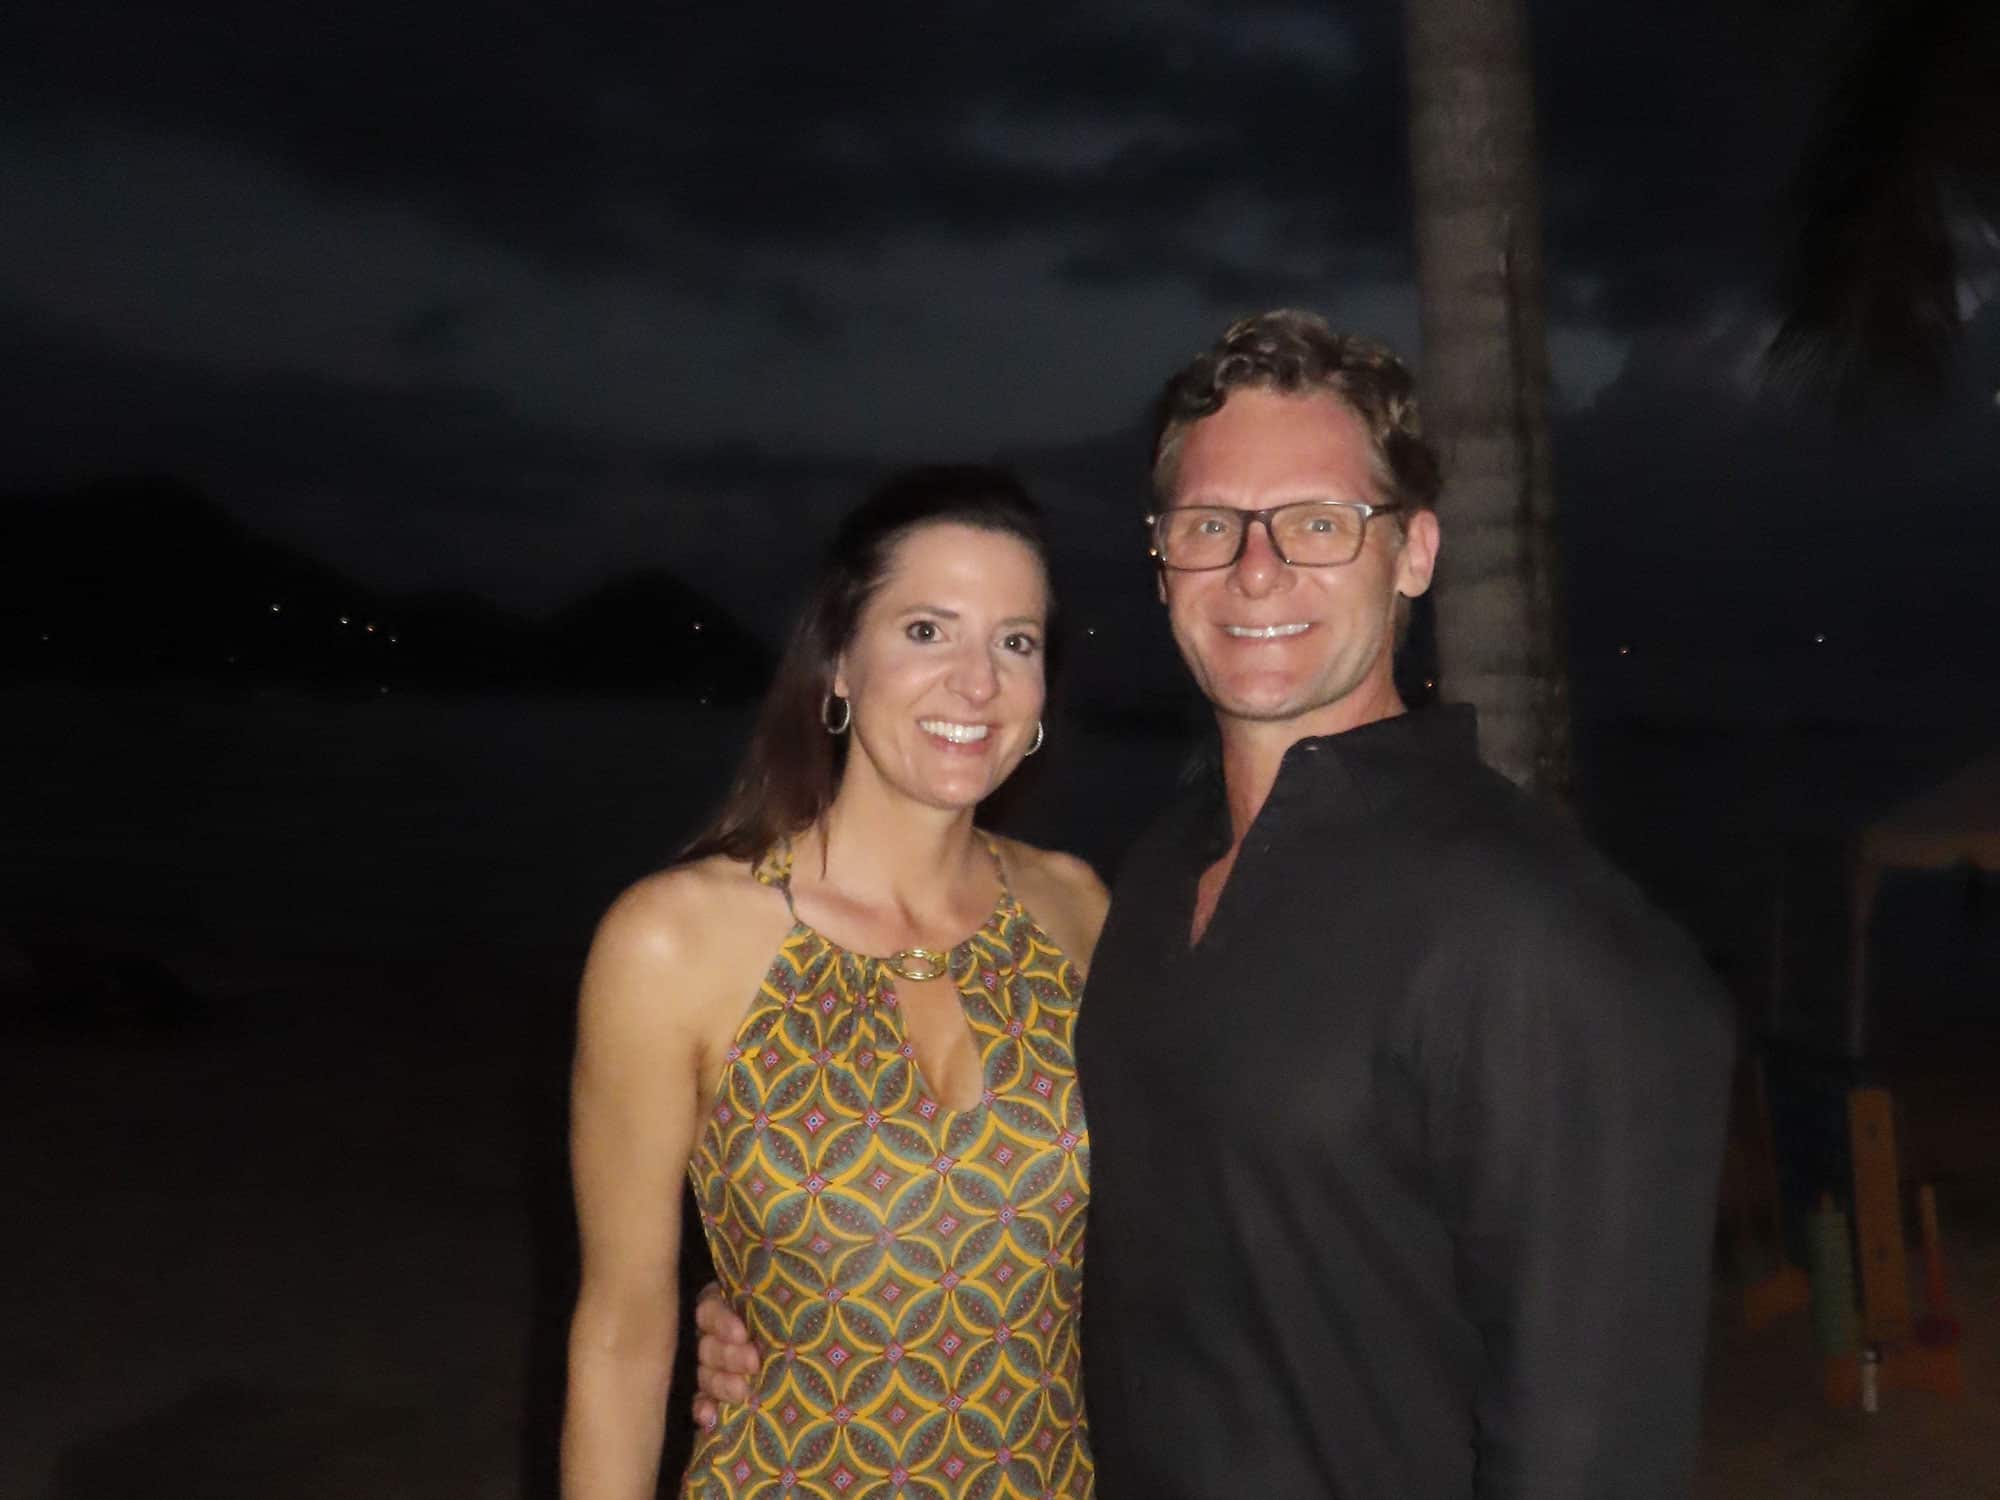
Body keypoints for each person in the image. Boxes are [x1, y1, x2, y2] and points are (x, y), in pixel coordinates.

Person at [695, 311, 1734, 1498]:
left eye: (1316, 523)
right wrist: (793, 1299)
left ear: (1413, 553)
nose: (1255, 569)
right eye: (1209, 525)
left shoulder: (1545, 938)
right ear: (1161, 559)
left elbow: (1592, 1452)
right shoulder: (1145, 882)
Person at [562, 465, 1108, 1499]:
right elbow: (623, 1329)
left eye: (1015, 641)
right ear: (840, 665)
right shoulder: (674, 942)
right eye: (925, 631)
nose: (976, 682)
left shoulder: (1076, 912)